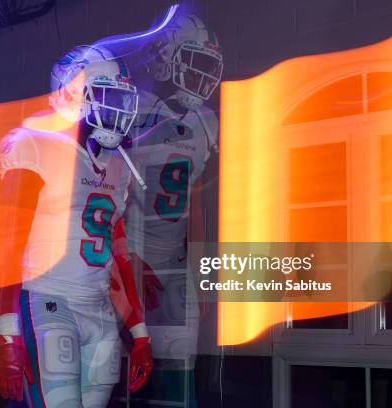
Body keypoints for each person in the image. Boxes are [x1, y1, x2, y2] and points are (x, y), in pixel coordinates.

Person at [0, 45, 153, 408]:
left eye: (121, 99)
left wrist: (139, 333)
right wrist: (7, 336)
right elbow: (5, 246)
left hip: (99, 311)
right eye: (107, 96)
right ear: (72, 95)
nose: (118, 109)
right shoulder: (35, 145)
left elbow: (117, 258)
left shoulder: (118, 165)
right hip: (48, 302)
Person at [124, 14, 222, 407]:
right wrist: (127, 261)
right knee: (121, 367)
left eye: (209, 67)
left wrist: (199, 269)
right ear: (166, 59)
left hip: (174, 259)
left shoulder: (205, 122)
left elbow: (195, 203)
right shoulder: (134, 111)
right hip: (128, 254)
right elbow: (110, 189)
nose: (204, 77)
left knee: (180, 371)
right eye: (196, 64)